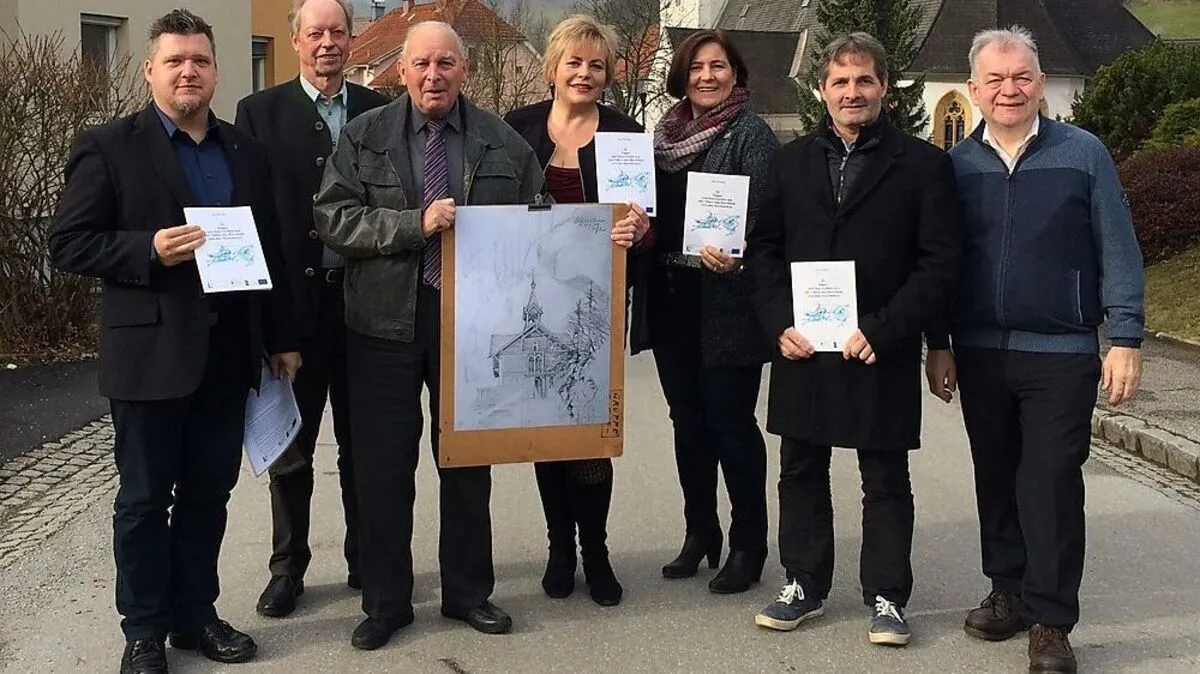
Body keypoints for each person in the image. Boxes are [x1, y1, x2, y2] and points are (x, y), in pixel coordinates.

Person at [48, 9, 300, 674]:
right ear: (149, 70)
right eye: (175, 61)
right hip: (149, 356)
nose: (189, 71)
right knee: (142, 502)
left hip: (228, 356)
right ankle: (143, 632)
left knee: (208, 496)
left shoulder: (245, 151)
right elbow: (67, 243)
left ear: (216, 70)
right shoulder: (109, 146)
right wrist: (148, 250)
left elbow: (270, 249)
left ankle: (195, 616)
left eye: (200, 60)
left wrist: (281, 337)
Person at [313, 21, 544, 650]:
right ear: (402, 70)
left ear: (463, 69)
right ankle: (385, 603)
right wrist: (414, 224)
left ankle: (468, 593)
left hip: (471, 326)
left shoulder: (500, 140)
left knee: (467, 465)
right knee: (383, 469)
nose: (433, 76)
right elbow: (334, 219)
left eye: (445, 63)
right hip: (381, 325)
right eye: (421, 64)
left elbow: (540, 217)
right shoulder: (365, 136)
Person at [924, 26, 1144, 674]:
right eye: (995, 79)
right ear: (973, 89)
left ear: (1041, 84)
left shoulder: (1084, 154)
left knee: (1049, 483)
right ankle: (1009, 592)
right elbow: (940, 264)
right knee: (995, 476)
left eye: (1022, 76)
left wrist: (1125, 337)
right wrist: (938, 343)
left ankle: (1051, 621)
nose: (1009, 89)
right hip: (980, 350)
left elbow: (1118, 246)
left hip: (1063, 351)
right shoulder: (956, 167)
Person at [746, 33, 961, 645]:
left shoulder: (924, 165)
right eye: (839, 82)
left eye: (864, 80)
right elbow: (763, 252)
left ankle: (888, 596)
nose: (852, 92)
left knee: (885, 478)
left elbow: (939, 264)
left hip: (880, 345)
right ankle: (803, 583)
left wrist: (887, 330)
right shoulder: (789, 162)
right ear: (821, 90)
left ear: (883, 87)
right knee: (799, 469)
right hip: (803, 344)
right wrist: (778, 322)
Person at [234, 0, 390, 618]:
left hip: (366, 308)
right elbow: (255, 222)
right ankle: (287, 568)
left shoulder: (379, 110)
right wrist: (274, 329)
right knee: (291, 448)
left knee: (364, 444)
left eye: (338, 32)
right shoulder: (259, 113)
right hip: (296, 312)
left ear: (352, 40)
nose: (328, 42)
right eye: (315, 32)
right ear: (296, 41)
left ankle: (365, 559)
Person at [502, 14, 650, 608]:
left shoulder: (626, 135)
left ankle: (597, 550)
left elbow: (649, 221)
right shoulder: (516, 129)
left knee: (590, 433)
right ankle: (559, 547)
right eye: (574, 62)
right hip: (533, 303)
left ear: (608, 74)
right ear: (553, 67)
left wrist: (642, 229)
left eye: (596, 64)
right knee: (548, 432)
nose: (584, 73)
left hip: (594, 307)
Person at [630, 29, 779, 595]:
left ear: (735, 73)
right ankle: (700, 532)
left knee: (731, 426)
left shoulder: (751, 135)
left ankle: (748, 545)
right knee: (687, 425)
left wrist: (739, 252)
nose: (707, 76)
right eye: (696, 67)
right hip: (672, 299)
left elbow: (767, 220)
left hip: (727, 302)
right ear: (681, 75)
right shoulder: (662, 137)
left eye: (718, 66)